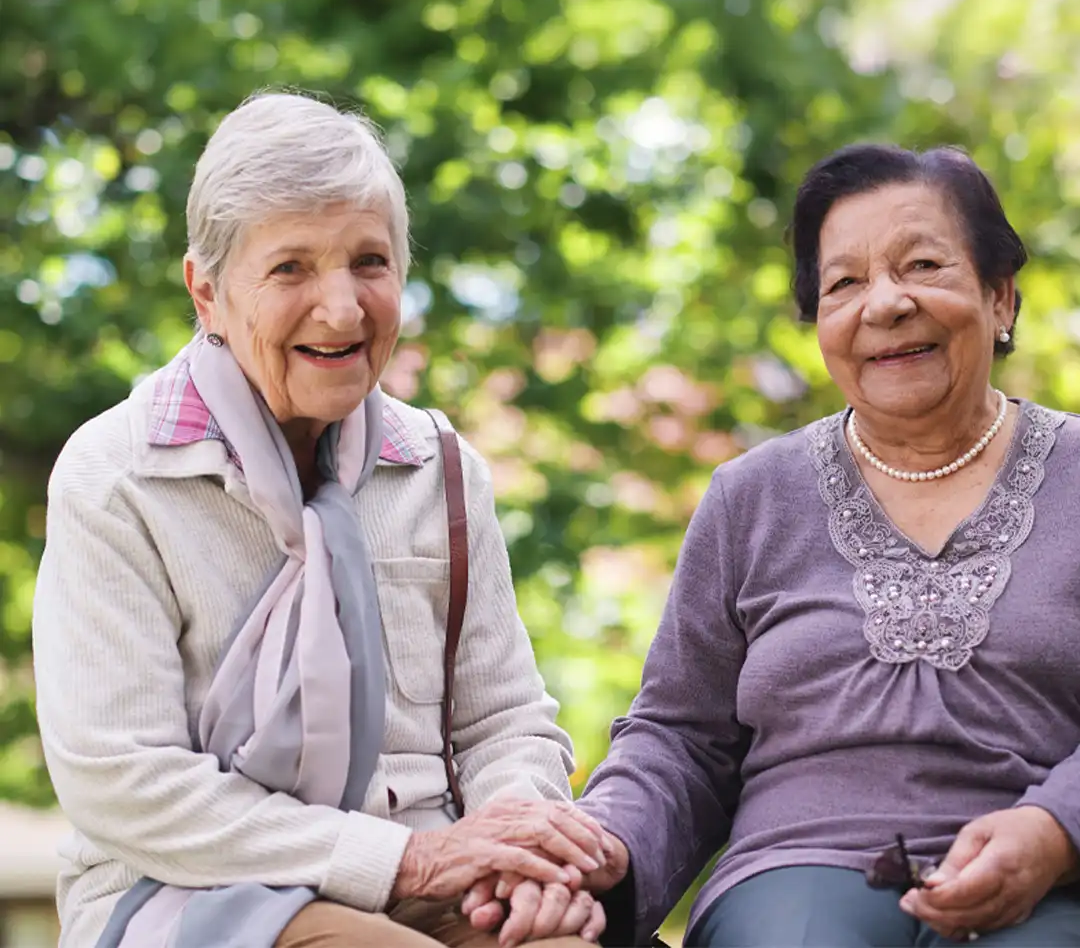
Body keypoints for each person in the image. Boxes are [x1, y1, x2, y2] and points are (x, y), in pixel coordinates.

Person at [462, 144, 1080, 947]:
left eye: (923, 265)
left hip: (1052, 884)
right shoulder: (750, 497)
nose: (885, 305)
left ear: (1001, 297)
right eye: (844, 283)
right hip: (796, 876)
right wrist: (603, 848)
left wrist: (1055, 829)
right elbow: (680, 739)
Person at [32, 92, 611, 948]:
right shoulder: (117, 476)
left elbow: (505, 721)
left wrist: (517, 849)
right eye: (291, 268)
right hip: (191, 891)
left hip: (440, 874)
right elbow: (123, 780)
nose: (342, 310)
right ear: (208, 291)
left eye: (369, 263)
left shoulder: (441, 468)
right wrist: (405, 862)